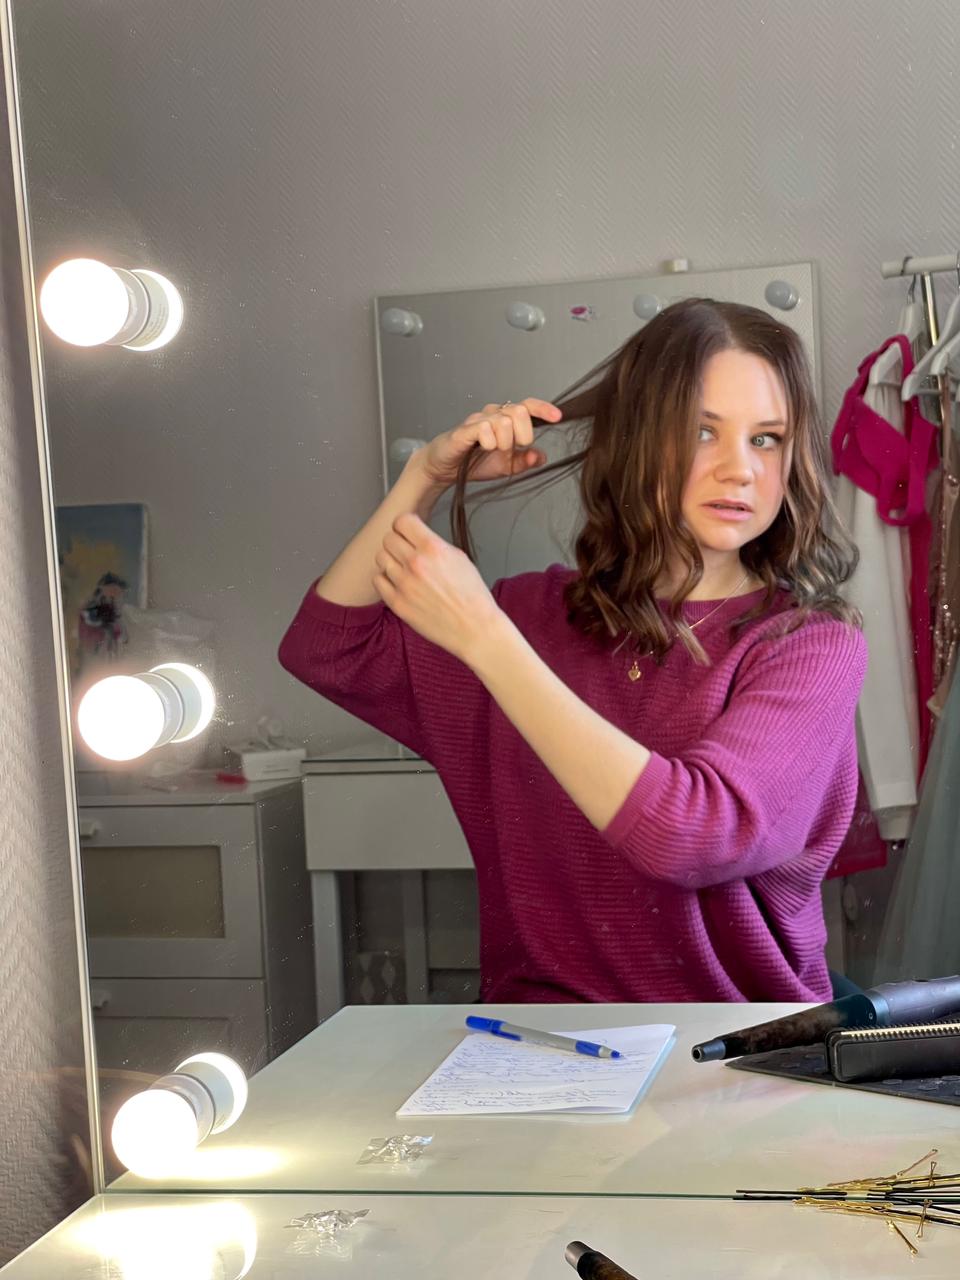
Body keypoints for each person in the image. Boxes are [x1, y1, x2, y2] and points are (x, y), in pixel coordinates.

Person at [279, 298, 866, 1004]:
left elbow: (694, 835)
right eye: (702, 431)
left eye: (766, 439)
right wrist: (424, 478)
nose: (740, 469)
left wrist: (487, 641)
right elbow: (327, 648)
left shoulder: (810, 647)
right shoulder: (531, 615)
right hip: (540, 1041)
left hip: (736, 1046)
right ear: (637, 440)